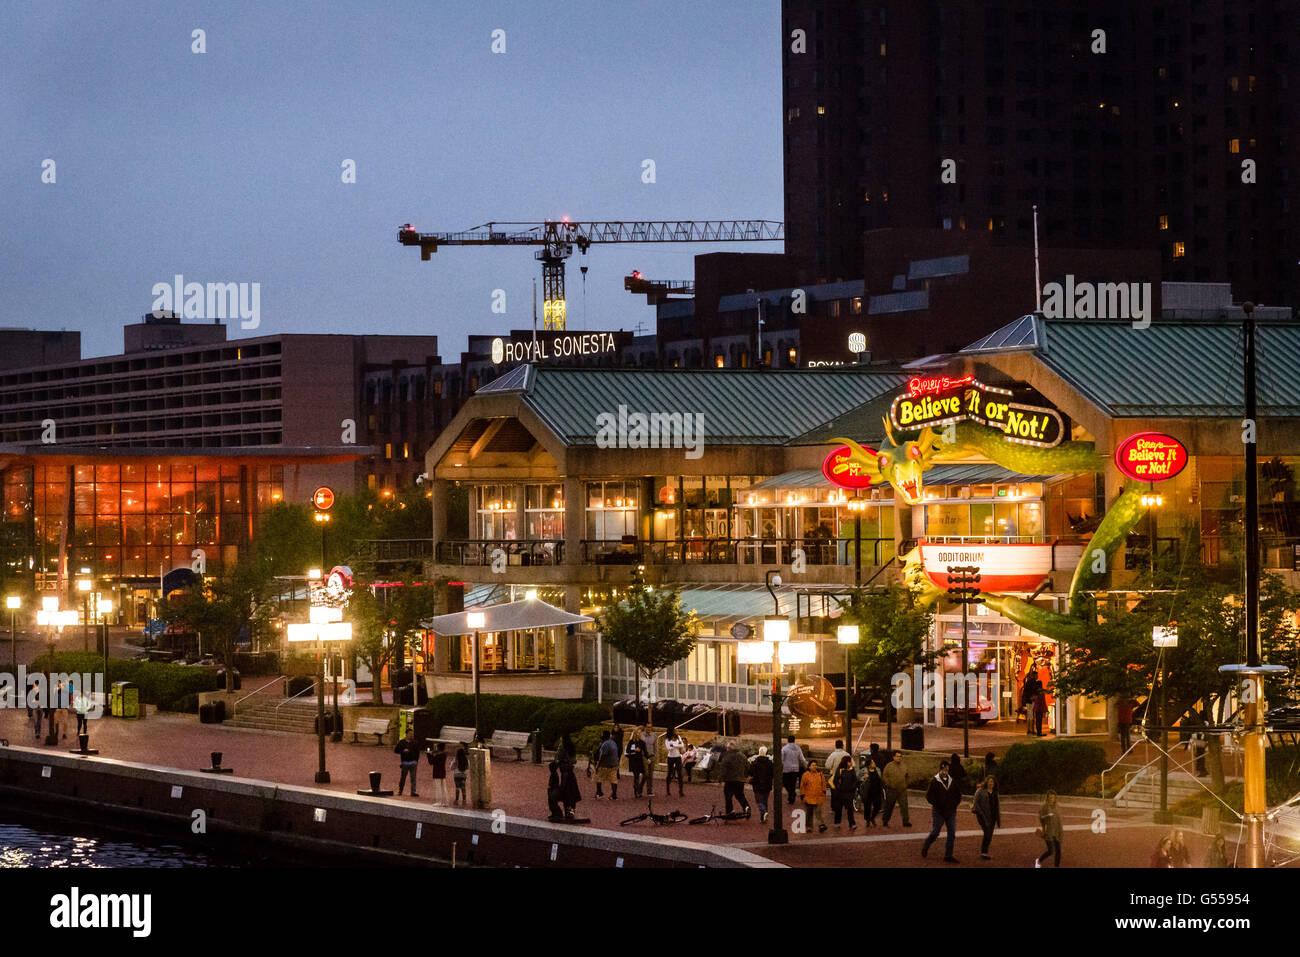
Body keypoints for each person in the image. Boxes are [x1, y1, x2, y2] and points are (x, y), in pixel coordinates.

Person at [921, 760, 961, 863]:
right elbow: (928, 796)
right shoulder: (935, 781)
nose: (945, 771)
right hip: (938, 811)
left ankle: (948, 855)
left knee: (951, 833)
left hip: (950, 812)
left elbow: (958, 795)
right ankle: (926, 845)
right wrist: (937, 804)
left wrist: (954, 805)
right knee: (936, 831)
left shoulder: (952, 781)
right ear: (940, 769)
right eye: (943, 769)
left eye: (947, 769)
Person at [718, 742, 751, 817]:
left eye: (727, 748)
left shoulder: (727, 756)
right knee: (740, 795)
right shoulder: (743, 756)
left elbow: (723, 769)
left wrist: (720, 779)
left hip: (730, 780)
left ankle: (730, 811)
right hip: (740, 780)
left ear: (729, 749)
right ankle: (746, 807)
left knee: (728, 796)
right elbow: (748, 767)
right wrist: (745, 776)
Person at [880, 749, 911, 827]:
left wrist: (906, 785)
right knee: (889, 806)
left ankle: (905, 821)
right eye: (897, 756)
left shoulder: (904, 766)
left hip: (902, 790)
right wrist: (889, 784)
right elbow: (884, 776)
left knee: (904, 806)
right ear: (893, 757)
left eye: (900, 756)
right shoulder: (889, 766)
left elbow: (907, 776)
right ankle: (885, 820)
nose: (899, 758)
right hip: (891, 790)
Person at [972, 775, 1000, 859]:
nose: (992, 783)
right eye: (990, 781)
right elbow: (976, 804)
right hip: (983, 816)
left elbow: (997, 805)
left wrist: (998, 818)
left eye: (993, 782)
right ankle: (984, 852)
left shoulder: (995, 792)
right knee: (987, 833)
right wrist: (980, 813)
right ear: (987, 782)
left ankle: (985, 851)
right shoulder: (980, 791)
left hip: (993, 816)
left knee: (989, 835)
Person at [1036, 789, 1062, 868]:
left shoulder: (1056, 806)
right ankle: (1039, 860)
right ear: (1047, 798)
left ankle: (1056, 866)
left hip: (1056, 831)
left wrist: (1060, 830)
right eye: (1050, 798)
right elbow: (1040, 817)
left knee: (1058, 851)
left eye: (1053, 798)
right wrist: (1047, 816)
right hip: (1048, 831)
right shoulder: (1044, 806)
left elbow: (1058, 819)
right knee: (1051, 851)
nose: (1052, 799)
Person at [799, 760, 828, 833]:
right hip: (809, 797)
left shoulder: (820, 774)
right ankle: (809, 827)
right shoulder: (805, 775)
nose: (815, 766)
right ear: (809, 767)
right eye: (813, 765)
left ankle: (821, 824)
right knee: (809, 813)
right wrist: (802, 795)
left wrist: (824, 792)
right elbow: (802, 786)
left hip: (819, 796)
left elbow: (823, 784)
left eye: (815, 765)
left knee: (818, 811)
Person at [831, 755, 858, 830]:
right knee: (838, 809)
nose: (851, 763)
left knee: (850, 809)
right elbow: (835, 781)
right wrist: (840, 788)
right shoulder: (840, 770)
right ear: (846, 762)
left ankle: (852, 824)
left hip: (849, 793)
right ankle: (837, 823)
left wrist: (853, 788)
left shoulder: (852, 770)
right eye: (849, 762)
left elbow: (855, 780)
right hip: (840, 793)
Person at [749, 745, 774, 823]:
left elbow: (750, 772)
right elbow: (773, 773)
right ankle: (763, 818)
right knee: (765, 800)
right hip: (767, 784)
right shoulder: (770, 763)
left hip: (757, 784)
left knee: (759, 801)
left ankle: (764, 812)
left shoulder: (755, 762)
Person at [594, 729, 620, 799]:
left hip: (605, 765)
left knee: (599, 777)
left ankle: (599, 793)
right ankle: (614, 795)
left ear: (604, 736)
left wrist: (598, 765)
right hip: (614, 764)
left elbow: (602, 756)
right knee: (613, 780)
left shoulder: (605, 744)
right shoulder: (613, 742)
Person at [781, 735, 807, 805]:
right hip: (795, 769)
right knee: (793, 784)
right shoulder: (798, 748)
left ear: (788, 740)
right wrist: (806, 765)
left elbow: (782, 759)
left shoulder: (784, 749)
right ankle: (791, 798)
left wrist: (782, 765)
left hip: (786, 769)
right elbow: (802, 758)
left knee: (785, 783)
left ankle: (792, 794)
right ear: (794, 740)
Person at [394, 728, 420, 797]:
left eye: (412, 734)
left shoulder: (415, 742)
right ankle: (400, 790)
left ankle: (413, 792)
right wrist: (403, 750)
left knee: (413, 778)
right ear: (406, 734)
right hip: (405, 762)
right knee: (403, 778)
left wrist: (416, 761)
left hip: (413, 762)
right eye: (410, 734)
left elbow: (418, 753)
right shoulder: (402, 742)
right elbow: (396, 750)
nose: (411, 735)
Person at [860, 758, 884, 827]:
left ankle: (872, 818)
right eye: (873, 763)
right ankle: (867, 820)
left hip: (877, 791)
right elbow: (858, 777)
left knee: (878, 806)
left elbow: (880, 779)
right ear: (869, 764)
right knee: (867, 807)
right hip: (868, 791)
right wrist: (863, 777)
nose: (874, 764)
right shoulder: (864, 770)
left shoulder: (878, 769)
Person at [664, 727, 686, 796]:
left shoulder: (678, 737)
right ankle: (668, 790)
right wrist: (677, 745)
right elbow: (668, 748)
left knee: (679, 774)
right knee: (670, 774)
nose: (677, 732)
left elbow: (682, 745)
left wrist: (673, 745)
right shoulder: (667, 739)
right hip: (670, 757)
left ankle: (681, 791)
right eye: (675, 730)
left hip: (677, 757)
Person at [640, 725, 657, 796]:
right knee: (646, 773)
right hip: (644, 756)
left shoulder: (654, 735)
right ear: (645, 728)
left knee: (651, 774)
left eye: (650, 727)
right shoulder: (641, 735)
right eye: (647, 727)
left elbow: (655, 746)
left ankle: (649, 791)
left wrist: (655, 756)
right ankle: (640, 787)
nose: (648, 728)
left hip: (652, 756)